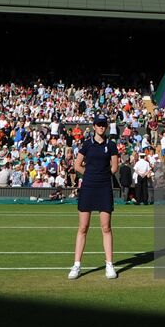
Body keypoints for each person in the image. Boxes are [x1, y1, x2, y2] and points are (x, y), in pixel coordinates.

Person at [69, 114, 119, 280]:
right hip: (88, 187)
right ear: (94, 126)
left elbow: (114, 167)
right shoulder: (87, 144)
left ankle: (109, 265)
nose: (101, 127)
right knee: (83, 227)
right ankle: (76, 265)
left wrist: (102, 175)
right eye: (98, 124)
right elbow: (77, 165)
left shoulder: (111, 145)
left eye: (103, 125)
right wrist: (89, 175)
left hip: (104, 187)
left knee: (106, 227)